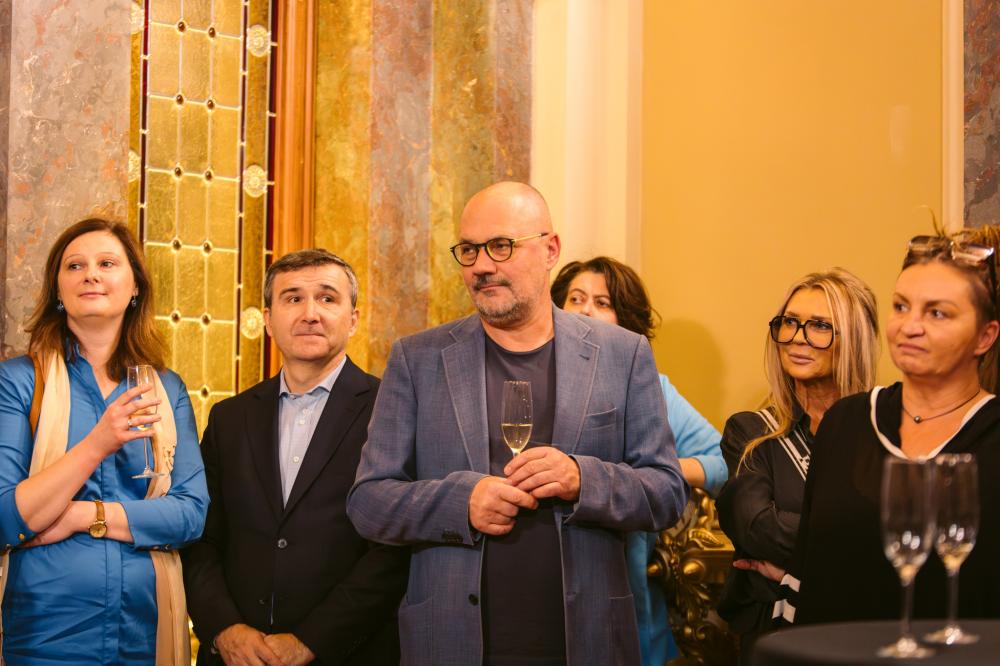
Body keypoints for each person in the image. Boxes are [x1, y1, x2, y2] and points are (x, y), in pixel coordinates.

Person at [347, 182, 689, 666]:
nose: (482, 265)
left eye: (501, 246)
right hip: (450, 644)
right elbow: (368, 502)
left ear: (550, 250)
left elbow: (667, 492)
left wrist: (582, 478)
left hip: (588, 642)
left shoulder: (622, 354)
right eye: (469, 250)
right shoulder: (418, 359)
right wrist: (460, 503)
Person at [183, 250, 409, 665]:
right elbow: (202, 538)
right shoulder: (229, 417)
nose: (310, 314)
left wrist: (311, 641)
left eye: (327, 298)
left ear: (353, 318)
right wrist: (224, 628)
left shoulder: (392, 409)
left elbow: (393, 549)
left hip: (348, 654)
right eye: (293, 298)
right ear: (269, 320)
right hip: (238, 656)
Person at [0, 218, 208, 664]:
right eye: (75, 266)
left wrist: (83, 516)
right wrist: (97, 443)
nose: (90, 274)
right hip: (43, 633)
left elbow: (191, 513)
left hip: (145, 629)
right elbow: (6, 516)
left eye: (107, 263)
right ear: (58, 291)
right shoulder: (17, 382)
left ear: (135, 287)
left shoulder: (167, 388)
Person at [783, 234, 1000, 626]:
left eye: (937, 313)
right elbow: (809, 565)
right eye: (901, 306)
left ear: (985, 336)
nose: (910, 326)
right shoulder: (846, 422)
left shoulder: (992, 433)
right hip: (831, 651)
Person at [551, 256, 725, 665]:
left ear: (626, 321)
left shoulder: (652, 390)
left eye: (602, 303)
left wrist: (657, 472)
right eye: (576, 298)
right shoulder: (531, 381)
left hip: (623, 600)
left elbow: (725, 461)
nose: (585, 310)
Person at [714, 268, 879, 655]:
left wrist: (795, 570)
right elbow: (755, 528)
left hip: (861, 631)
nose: (797, 338)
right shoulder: (751, 431)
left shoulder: (882, 429)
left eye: (819, 326)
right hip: (774, 636)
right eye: (789, 322)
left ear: (853, 339)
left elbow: (901, 537)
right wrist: (858, 541)